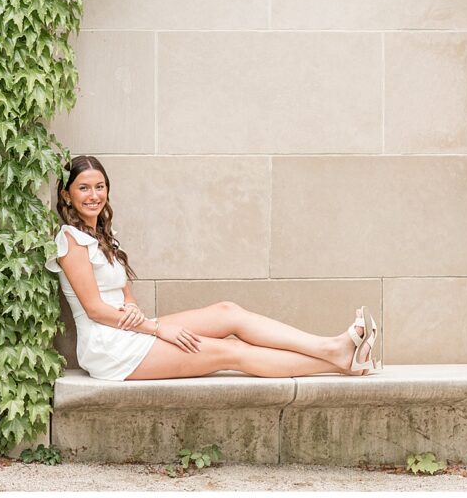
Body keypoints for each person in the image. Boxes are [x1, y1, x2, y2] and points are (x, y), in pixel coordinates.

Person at [46, 155, 380, 382]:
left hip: (130, 329)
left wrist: (134, 312)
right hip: (110, 349)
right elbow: (94, 309)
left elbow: (125, 297)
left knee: (227, 312)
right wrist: (156, 328)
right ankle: (336, 359)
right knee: (231, 352)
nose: (94, 195)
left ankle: (333, 349)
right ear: (67, 195)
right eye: (84, 188)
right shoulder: (70, 240)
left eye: (99, 186)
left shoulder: (101, 236)